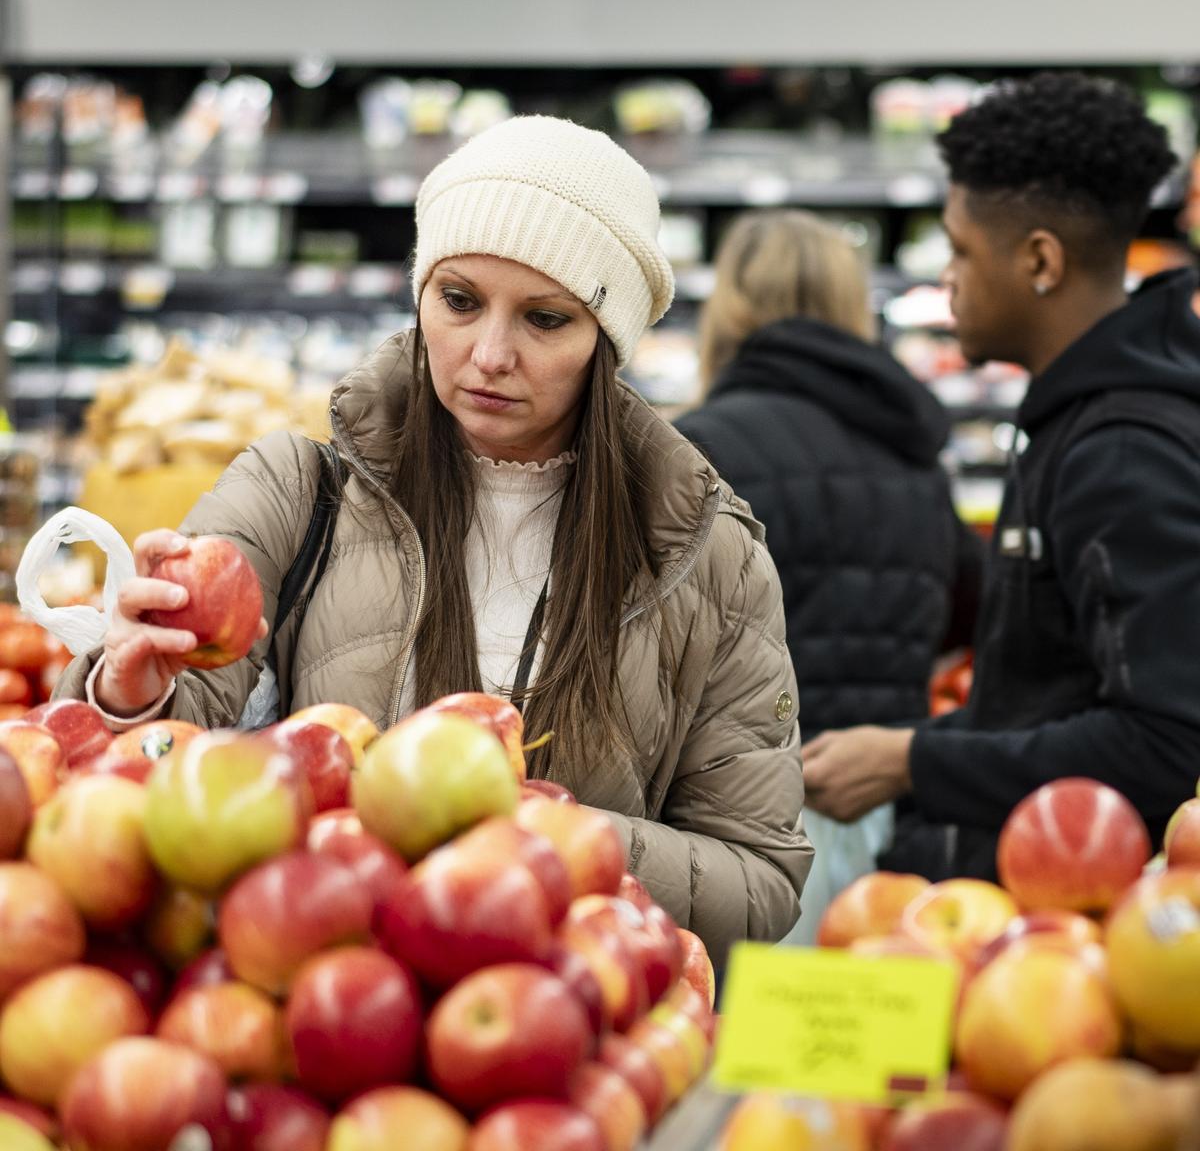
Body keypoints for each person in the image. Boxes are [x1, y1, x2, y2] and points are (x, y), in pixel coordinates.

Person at [55, 115, 813, 964]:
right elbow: (133, 790)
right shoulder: (294, 490)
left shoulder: (709, 558)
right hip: (322, 987)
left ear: (608, 340)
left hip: (565, 1020)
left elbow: (759, 882)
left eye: (545, 319)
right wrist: (129, 698)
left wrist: (530, 826)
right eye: (458, 301)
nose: (488, 354)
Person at [800, 71, 1200, 880]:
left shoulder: (1120, 452)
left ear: (1040, 261)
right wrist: (914, 750)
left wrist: (917, 761)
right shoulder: (1079, 418)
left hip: (1098, 925)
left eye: (959, 249)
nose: (947, 277)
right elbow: (1060, 708)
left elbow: (1166, 743)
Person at [674, 210, 981, 933]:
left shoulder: (697, 448)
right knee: (868, 1029)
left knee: (731, 1038)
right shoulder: (915, 457)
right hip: (891, 825)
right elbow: (975, 611)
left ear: (731, 307)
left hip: (737, 830)